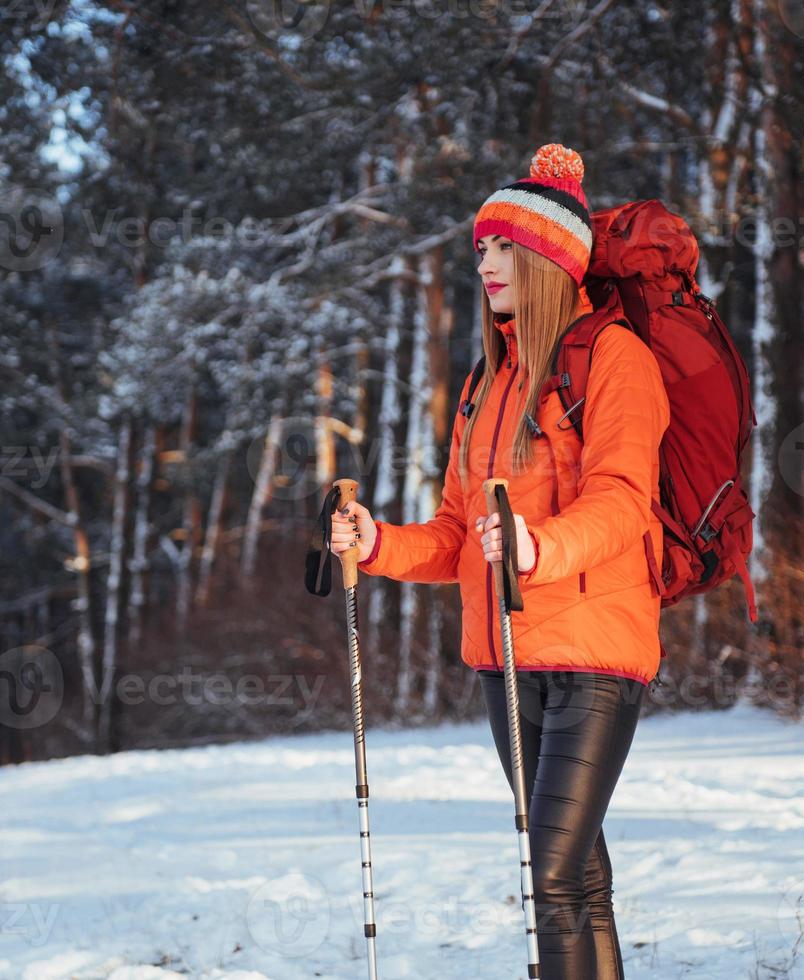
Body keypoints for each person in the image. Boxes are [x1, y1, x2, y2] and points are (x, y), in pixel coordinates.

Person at [329, 142, 670, 979]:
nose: (484, 262)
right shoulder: (490, 378)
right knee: (578, 872)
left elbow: (624, 501)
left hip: (593, 649)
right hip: (505, 660)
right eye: (480, 246)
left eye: (503, 246)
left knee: (547, 874)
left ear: (550, 258)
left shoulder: (616, 359)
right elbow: (455, 533)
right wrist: (374, 543)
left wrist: (536, 546)